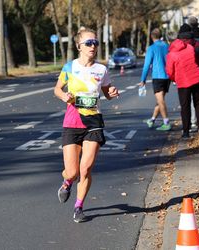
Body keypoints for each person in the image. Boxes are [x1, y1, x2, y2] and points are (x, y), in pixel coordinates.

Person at [54, 27, 119, 223]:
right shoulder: (69, 67)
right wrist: (64, 95)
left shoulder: (102, 69)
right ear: (79, 46)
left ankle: (79, 207)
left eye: (96, 43)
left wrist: (112, 93)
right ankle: (67, 182)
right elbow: (57, 89)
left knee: (86, 169)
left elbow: (107, 92)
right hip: (73, 121)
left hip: (94, 121)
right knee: (73, 172)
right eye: (89, 43)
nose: (93, 46)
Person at [166, 25, 199, 138]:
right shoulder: (190, 48)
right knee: (198, 103)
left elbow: (169, 71)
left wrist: (175, 78)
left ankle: (186, 131)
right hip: (197, 78)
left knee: (185, 106)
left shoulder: (171, 54)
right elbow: (194, 62)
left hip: (183, 82)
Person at [139, 28, 171, 131]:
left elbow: (147, 65)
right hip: (167, 76)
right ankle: (152, 120)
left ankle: (166, 122)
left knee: (160, 100)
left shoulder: (152, 48)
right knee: (160, 100)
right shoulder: (167, 46)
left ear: (151, 37)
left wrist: (143, 79)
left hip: (157, 76)